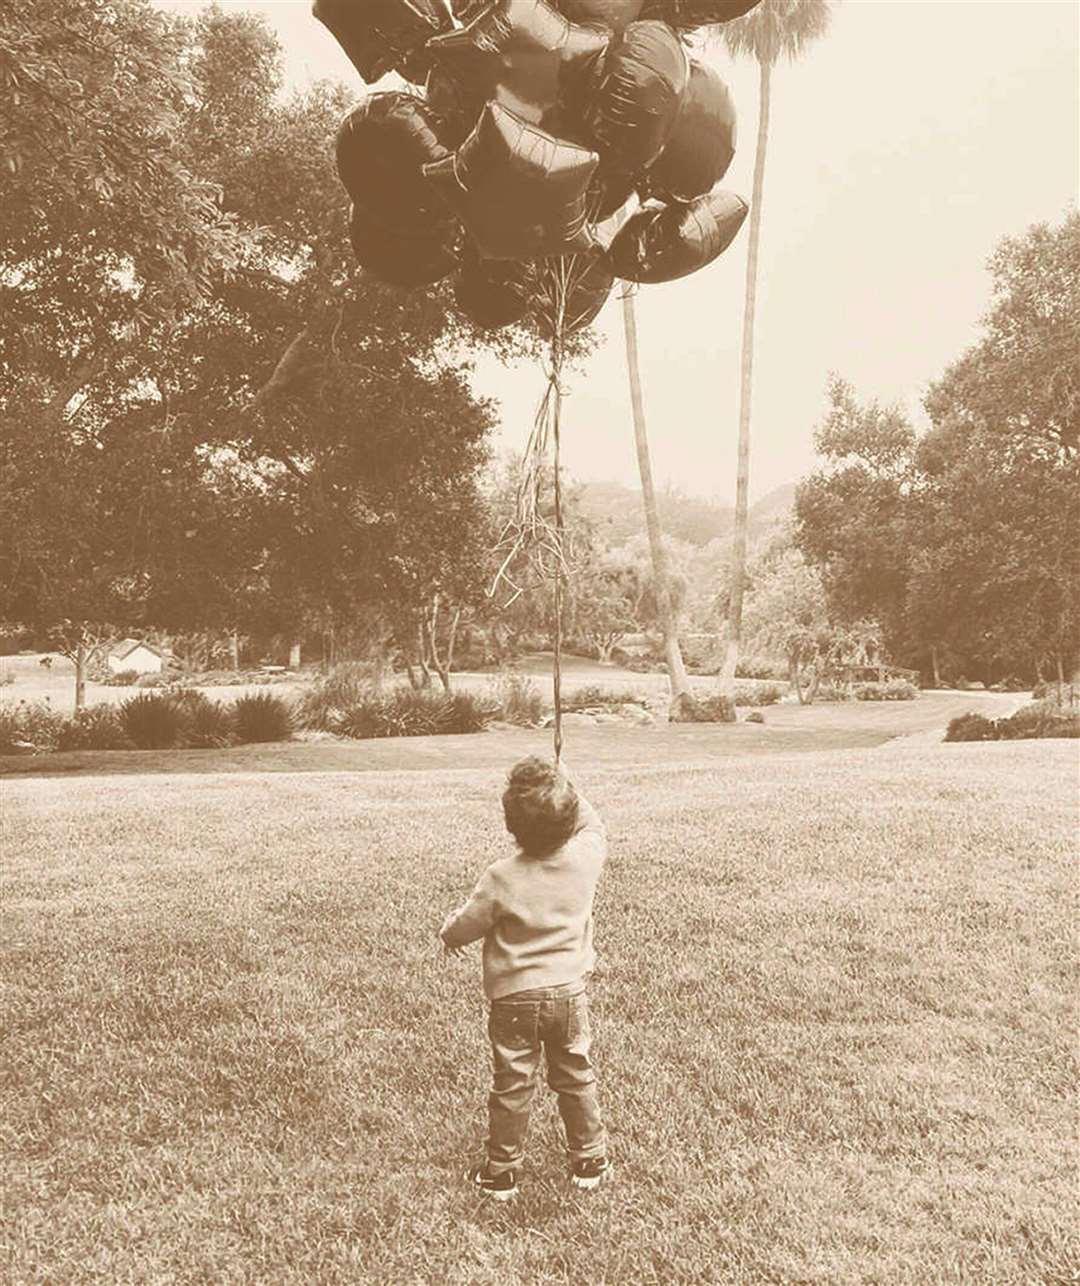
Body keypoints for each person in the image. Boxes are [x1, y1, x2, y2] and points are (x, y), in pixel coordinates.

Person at [439, 754, 611, 1201]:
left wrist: (448, 934)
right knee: (574, 1072)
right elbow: (594, 824)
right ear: (570, 817)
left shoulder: (501, 877)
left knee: (513, 1082)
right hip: (570, 993)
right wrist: (569, 784)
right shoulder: (584, 858)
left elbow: (468, 925)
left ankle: (502, 1172)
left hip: (515, 999)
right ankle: (589, 1158)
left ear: (511, 826)